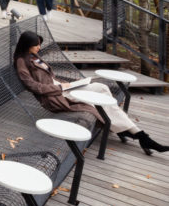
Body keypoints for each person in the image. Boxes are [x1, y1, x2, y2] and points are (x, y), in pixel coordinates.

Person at [13, 31, 167, 155]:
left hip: (62, 88)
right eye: (36, 45)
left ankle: (131, 132)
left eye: (39, 44)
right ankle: (140, 136)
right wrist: (59, 88)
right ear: (27, 45)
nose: (39, 47)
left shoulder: (33, 55)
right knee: (94, 99)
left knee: (101, 88)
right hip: (56, 96)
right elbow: (33, 86)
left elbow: (48, 77)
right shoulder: (22, 61)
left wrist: (64, 84)